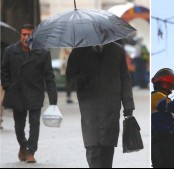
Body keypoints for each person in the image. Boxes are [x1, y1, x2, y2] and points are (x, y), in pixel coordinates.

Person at [66, 42, 135, 168]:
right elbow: (70, 79)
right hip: (89, 106)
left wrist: (128, 105)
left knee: (108, 147)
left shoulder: (116, 50)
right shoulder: (78, 52)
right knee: (92, 146)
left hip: (111, 106)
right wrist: (84, 78)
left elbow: (125, 78)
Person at [1, 24, 58, 163]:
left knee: (34, 123)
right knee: (19, 126)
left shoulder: (43, 52)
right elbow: (4, 71)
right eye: (24, 34)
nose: (26, 37)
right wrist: (8, 87)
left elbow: (49, 77)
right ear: (20, 35)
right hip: (17, 93)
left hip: (35, 93)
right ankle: (23, 145)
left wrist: (53, 101)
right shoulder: (10, 51)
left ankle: (31, 151)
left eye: (29, 35)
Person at [151, 68, 174, 168]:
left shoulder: (165, 103)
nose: (168, 88)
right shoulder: (155, 96)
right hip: (161, 143)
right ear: (158, 84)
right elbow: (173, 107)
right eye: (166, 84)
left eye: (170, 85)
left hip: (169, 145)